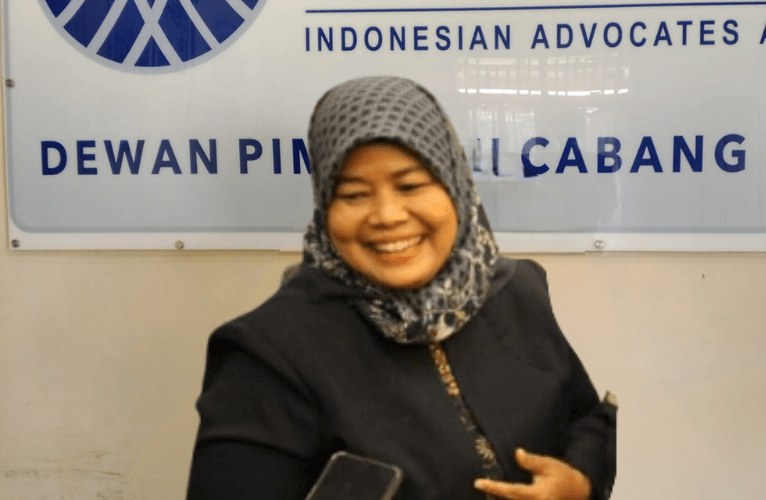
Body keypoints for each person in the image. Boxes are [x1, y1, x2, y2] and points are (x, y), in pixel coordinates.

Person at [186, 76, 615, 500]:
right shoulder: (268, 354)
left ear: (455, 186)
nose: (387, 215)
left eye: (410, 186)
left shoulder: (515, 290)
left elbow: (586, 420)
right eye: (354, 195)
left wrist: (580, 482)